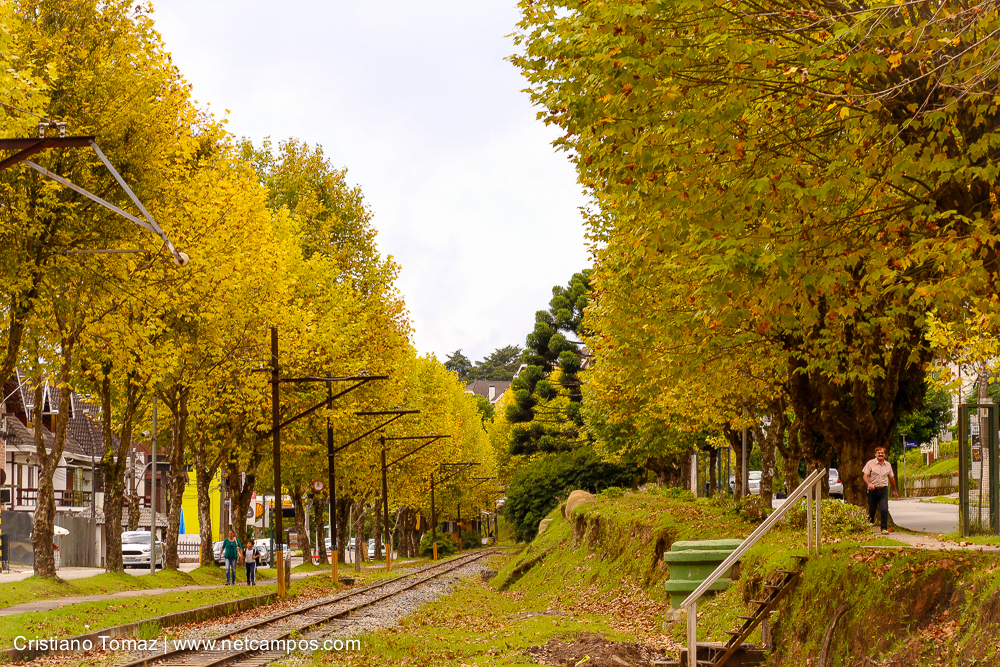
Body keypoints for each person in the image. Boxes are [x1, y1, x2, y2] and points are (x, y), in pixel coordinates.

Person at [863, 446, 899, 534]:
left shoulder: (888, 465)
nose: (880, 454)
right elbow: (865, 476)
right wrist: (869, 484)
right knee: (872, 510)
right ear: (875, 454)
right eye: (879, 453)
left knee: (884, 509)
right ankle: (870, 527)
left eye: (882, 453)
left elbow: (891, 478)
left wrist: (894, 491)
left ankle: (884, 528)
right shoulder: (870, 463)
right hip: (873, 490)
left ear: (885, 455)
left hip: (883, 490)